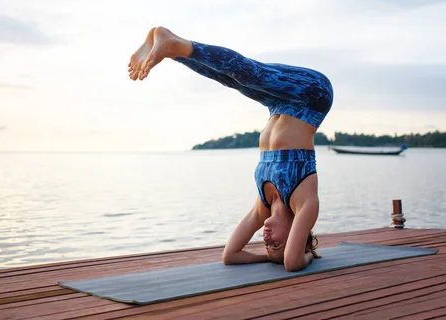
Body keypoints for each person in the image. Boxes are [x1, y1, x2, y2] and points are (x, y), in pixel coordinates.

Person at [128, 27, 334, 272]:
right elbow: (292, 263)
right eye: (276, 243)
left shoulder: (262, 207)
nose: (266, 239)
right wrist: (308, 255)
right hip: (313, 95)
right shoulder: (304, 203)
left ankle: (174, 51)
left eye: (267, 245)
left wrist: (267, 257)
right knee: (250, 74)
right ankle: (176, 44)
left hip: (279, 104)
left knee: (232, 79)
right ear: (294, 237)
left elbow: (231, 255)